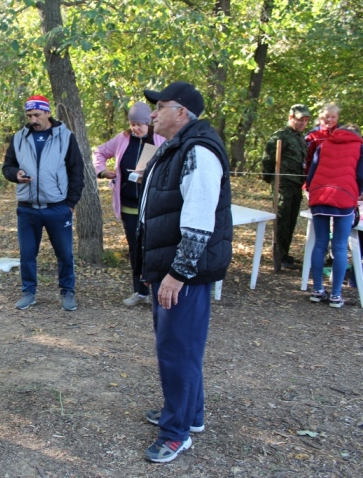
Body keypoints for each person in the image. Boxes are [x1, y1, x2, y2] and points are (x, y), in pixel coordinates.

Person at [136, 81, 232, 463]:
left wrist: (177, 273)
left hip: (184, 273)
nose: (152, 113)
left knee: (177, 351)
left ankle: (175, 433)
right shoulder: (177, 147)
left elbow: (198, 221)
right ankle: (190, 415)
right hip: (169, 267)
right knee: (181, 348)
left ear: (182, 113)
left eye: (160, 106)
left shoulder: (198, 151)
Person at [2, 95, 85, 311]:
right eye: (29, 115)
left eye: (37, 115)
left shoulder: (65, 137)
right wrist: (15, 174)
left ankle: (67, 291)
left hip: (57, 207)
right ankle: (28, 292)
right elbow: (7, 166)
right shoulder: (19, 137)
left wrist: (70, 204)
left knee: (64, 253)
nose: (33, 119)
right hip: (27, 208)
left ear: (47, 112)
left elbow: (76, 171)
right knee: (27, 254)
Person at [93, 102, 165, 306]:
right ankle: (140, 291)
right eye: (132, 124)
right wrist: (103, 171)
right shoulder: (123, 139)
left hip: (154, 207)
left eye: (140, 124)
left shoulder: (159, 138)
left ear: (149, 122)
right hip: (129, 207)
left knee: (154, 248)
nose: (136, 128)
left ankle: (159, 292)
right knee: (135, 249)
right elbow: (99, 152)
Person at [306, 124, 363, 308]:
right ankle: (336, 295)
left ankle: (317, 290)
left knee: (320, 243)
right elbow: (361, 175)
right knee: (339, 246)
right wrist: (357, 192)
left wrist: (310, 189)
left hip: (319, 195)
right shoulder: (360, 147)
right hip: (345, 196)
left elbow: (312, 171)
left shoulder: (325, 144)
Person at [261, 104, 311, 269]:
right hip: (283, 184)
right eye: (299, 119)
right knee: (282, 219)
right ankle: (279, 255)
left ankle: (285, 253)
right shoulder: (280, 136)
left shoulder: (300, 138)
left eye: (305, 120)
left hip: (296, 184)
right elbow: (267, 160)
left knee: (291, 220)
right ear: (291, 118)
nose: (302, 123)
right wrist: (271, 180)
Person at [305, 104, 340, 176]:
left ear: (337, 118)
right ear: (320, 117)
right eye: (326, 117)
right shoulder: (313, 135)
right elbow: (307, 159)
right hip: (318, 175)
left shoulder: (343, 134)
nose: (330, 119)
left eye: (333, 117)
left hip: (339, 175)